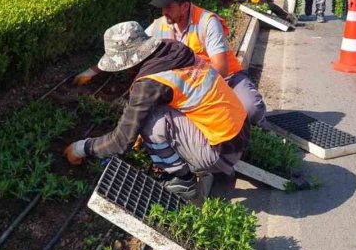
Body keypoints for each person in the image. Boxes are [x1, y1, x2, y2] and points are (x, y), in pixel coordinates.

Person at [64, 21, 249, 200]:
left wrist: (81, 148)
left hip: (220, 152)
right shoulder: (173, 50)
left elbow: (121, 141)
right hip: (240, 132)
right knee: (154, 111)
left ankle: (182, 179)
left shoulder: (149, 84)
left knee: (149, 121)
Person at [148, 0, 267, 125]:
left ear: (184, 7)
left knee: (251, 109)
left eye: (168, 7)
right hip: (186, 85)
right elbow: (139, 45)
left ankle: (256, 125)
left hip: (227, 79)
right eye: (162, 6)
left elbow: (221, 69)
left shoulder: (207, 22)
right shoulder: (159, 25)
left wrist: (194, 92)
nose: (164, 12)